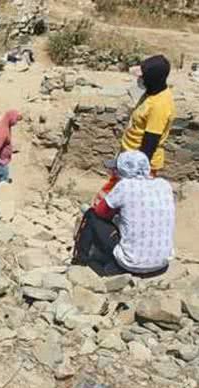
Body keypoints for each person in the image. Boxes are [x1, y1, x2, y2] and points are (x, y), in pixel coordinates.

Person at [73, 151, 175, 277]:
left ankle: (79, 261)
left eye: (116, 169)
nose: (114, 172)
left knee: (91, 215)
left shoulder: (125, 186)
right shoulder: (164, 185)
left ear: (124, 170)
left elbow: (101, 212)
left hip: (131, 263)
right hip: (161, 264)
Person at [94, 55, 175, 206]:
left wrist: (135, 174)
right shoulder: (152, 93)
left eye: (143, 77)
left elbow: (150, 143)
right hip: (128, 157)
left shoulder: (160, 105)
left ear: (152, 78)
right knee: (111, 197)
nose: (140, 80)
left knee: (113, 201)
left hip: (137, 164)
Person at [0, 109, 23, 194]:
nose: (16, 123)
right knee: (2, 185)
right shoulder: (3, 131)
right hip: (0, 163)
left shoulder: (4, 125)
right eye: (15, 120)